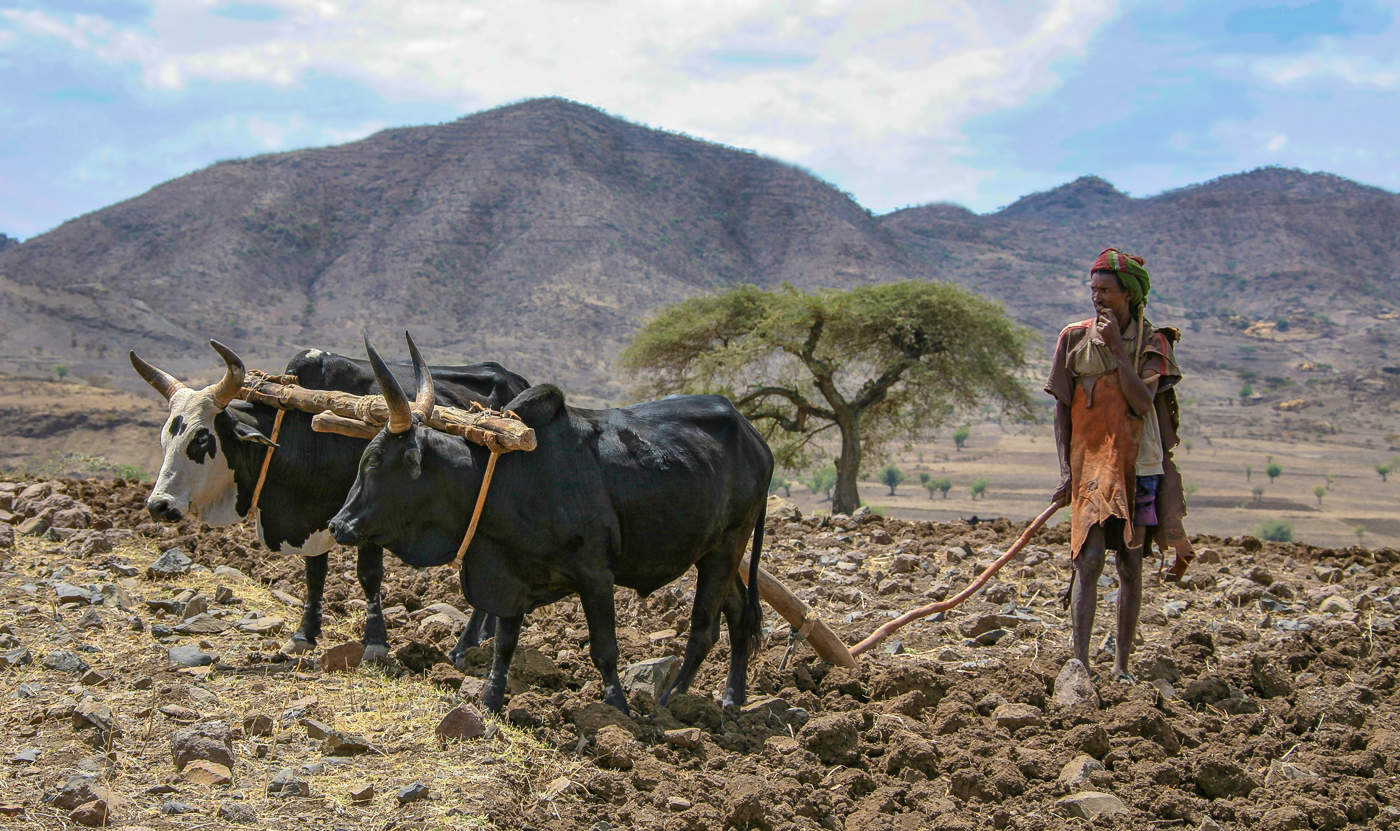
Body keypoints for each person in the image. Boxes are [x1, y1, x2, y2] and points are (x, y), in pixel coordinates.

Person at [1045, 248, 1192, 681]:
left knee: (1130, 563)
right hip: (1090, 468)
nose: (1098, 298)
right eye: (1094, 290)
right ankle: (1081, 665)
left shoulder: (1153, 342)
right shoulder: (1073, 338)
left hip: (1140, 467)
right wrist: (1066, 471)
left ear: (1128, 294)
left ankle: (1122, 667)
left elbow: (1143, 402)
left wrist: (1117, 352)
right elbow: (1061, 410)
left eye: (1106, 291)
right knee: (1087, 561)